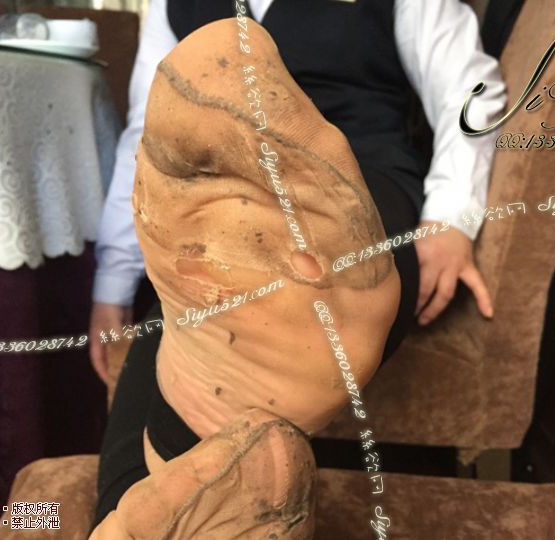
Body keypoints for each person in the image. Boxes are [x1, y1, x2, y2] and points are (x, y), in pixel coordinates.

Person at [90, 0, 506, 533]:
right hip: (218, 213)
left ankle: (132, 502)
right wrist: (112, 283)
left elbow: (469, 88)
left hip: (357, 181)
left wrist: (450, 220)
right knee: (193, 302)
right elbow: (149, 139)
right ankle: (134, 514)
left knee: (348, 247)